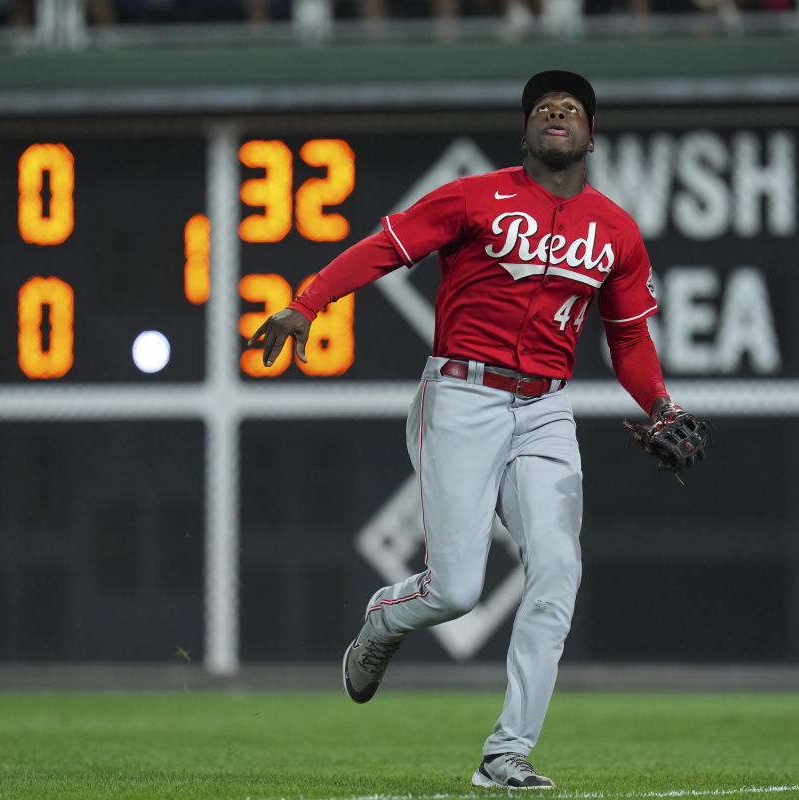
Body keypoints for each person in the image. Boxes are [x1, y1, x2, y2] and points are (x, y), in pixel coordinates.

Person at [247, 70, 701, 790]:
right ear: (525, 133)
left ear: (591, 135)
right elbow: (383, 248)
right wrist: (308, 303)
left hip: (547, 409)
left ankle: (506, 752)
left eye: (573, 108)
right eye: (545, 108)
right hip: (463, 394)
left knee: (557, 573)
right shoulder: (475, 197)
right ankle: (383, 622)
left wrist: (661, 407)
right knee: (455, 591)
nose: (558, 112)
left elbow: (630, 340)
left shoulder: (614, 229)